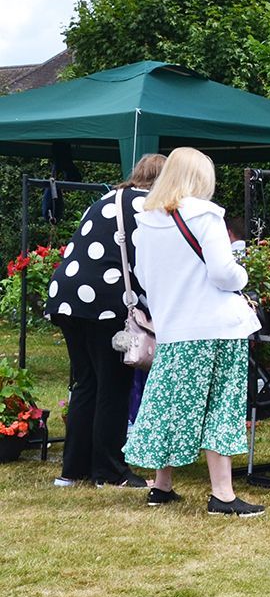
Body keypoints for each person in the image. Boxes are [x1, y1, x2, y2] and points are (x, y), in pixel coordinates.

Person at [123, 147, 265, 516]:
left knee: (173, 405)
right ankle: (223, 494)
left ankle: (162, 485)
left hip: (173, 326)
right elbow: (222, 272)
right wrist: (243, 275)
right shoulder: (206, 215)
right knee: (220, 405)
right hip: (215, 326)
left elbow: (142, 277)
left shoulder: (146, 221)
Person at [46, 153, 166, 487]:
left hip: (68, 298)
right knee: (114, 383)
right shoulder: (149, 207)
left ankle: (74, 470)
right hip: (108, 305)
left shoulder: (106, 199)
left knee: (87, 382)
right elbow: (150, 264)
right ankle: (110, 470)